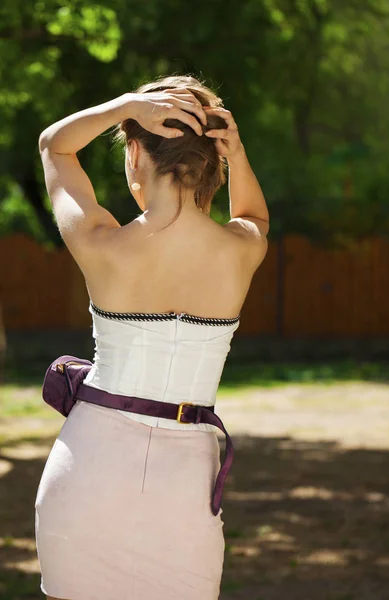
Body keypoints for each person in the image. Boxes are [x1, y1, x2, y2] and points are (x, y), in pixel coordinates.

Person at [34, 74, 269, 600]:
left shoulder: (100, 242)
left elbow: (55, 145)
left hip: (88, 468)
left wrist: (123, 105)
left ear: (134, 154)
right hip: (184, 481)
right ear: (216, 161)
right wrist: (239, 154)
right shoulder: (242, 249)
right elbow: (252, 214)